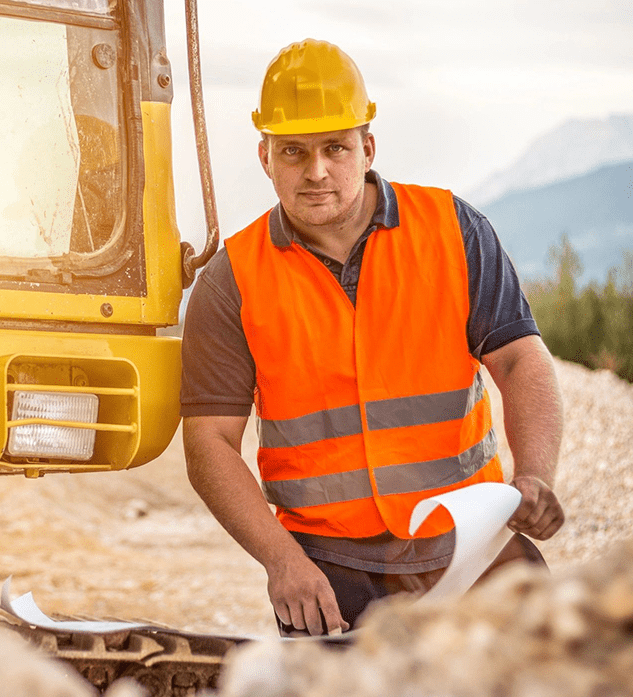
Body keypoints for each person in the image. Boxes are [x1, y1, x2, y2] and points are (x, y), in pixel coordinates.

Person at [180, 38, 565, 637]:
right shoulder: (231, 281)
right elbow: (209, 444)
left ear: (368, 148)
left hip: (472, 546)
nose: (316, 171)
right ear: (264, 157)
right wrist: (282, 562)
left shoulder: (453, 231)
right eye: (293, 152)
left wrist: (535, 474)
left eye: (336, 148)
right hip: (329, 569)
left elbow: (521, 360)